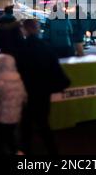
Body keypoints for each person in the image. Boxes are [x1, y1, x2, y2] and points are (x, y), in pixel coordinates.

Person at [19, 19, 70, 155]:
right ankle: (52, 151)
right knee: (43, 123)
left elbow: (20, 70)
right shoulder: (46, 47)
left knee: (26, 124)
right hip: (44, 91)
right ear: (37, 29)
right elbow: (56, 69)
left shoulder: (22, 47)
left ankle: (26, 150)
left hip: (28, 91)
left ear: (25, 30)